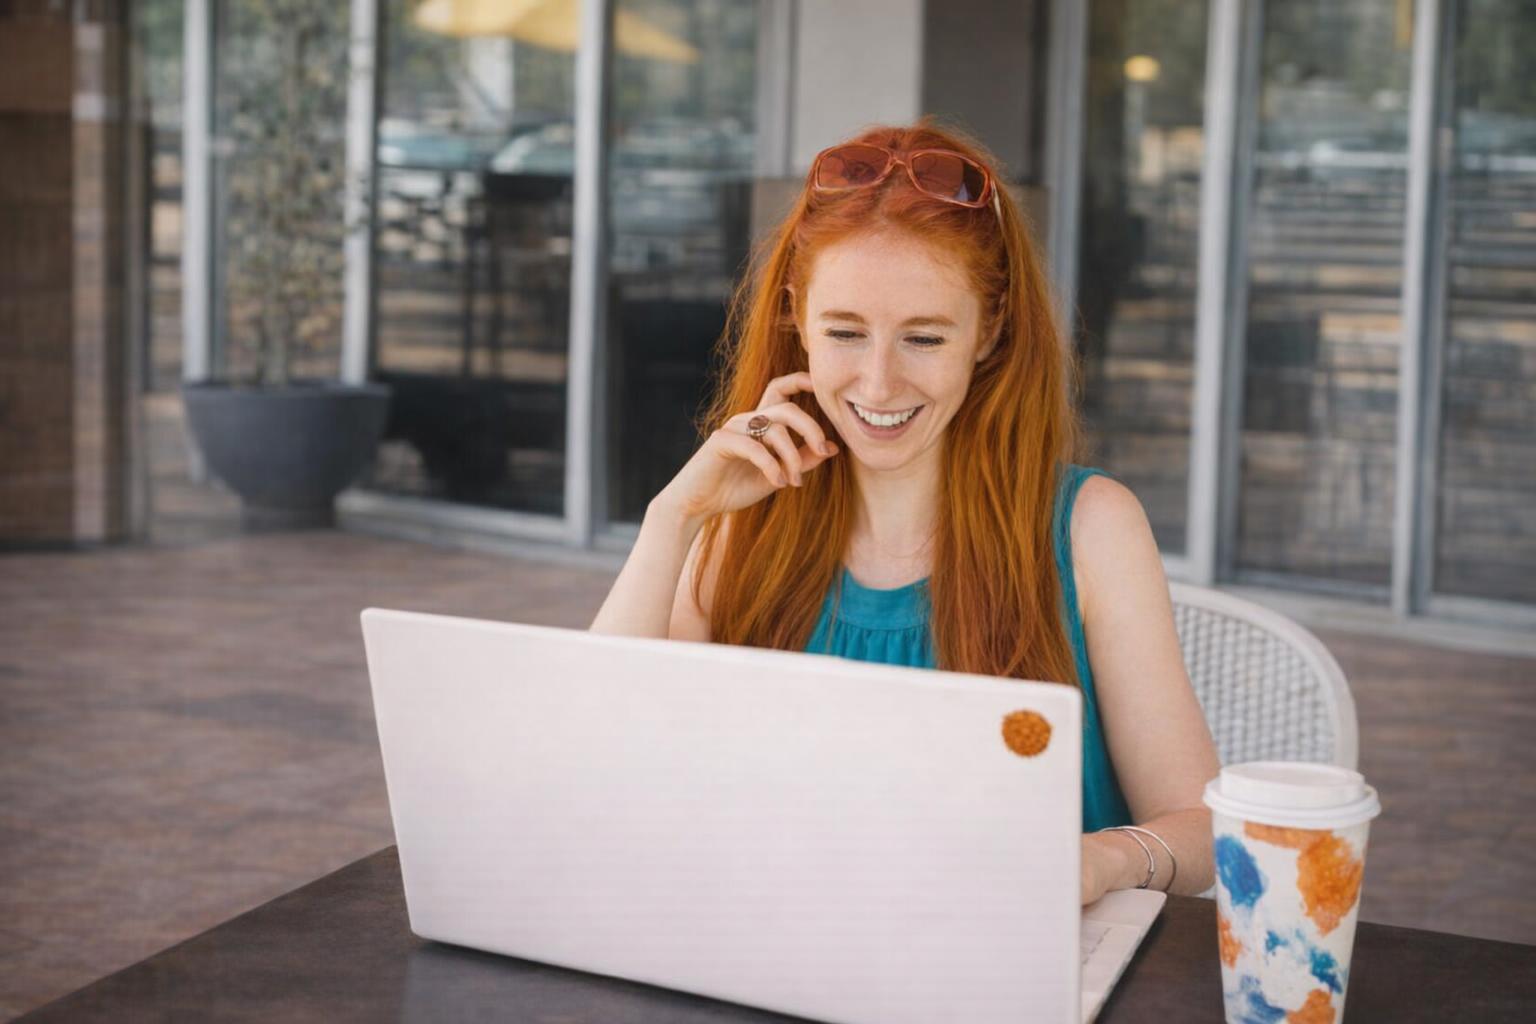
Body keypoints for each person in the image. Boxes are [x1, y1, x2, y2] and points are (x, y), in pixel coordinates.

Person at [591, 120, 1220, 906]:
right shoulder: (739, 522)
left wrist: (1103, 861)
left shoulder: (1091, 526)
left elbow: (1205, 829)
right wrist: (671, 519)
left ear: (989, 331)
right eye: (845, 333)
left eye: (923, 337)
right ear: (796, 316)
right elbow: (597, 765)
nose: (879, 385)